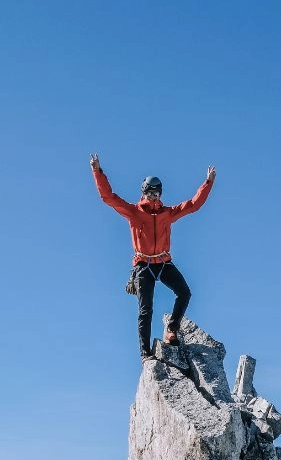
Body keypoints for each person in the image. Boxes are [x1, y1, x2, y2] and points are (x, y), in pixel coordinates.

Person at [91, 153, 216, 359]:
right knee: (145, 310)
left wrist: (208, 183)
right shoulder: (134, 212)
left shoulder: (167, 213)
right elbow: (108, 197)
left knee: (184, 293)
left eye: (157, 193)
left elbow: (193, 205)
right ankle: (145, 353)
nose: (154, 197)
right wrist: (97, 171)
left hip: (164, 262)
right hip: (143, 265)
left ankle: (171, 329)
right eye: (150, 193)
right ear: (144, 193)